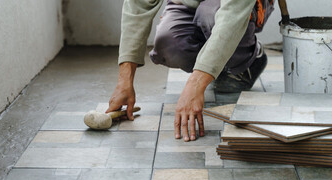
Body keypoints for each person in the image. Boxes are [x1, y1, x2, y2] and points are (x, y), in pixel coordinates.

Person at [106, 0, 274, 142]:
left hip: (235, 6)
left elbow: (233, 14)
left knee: (210, 14)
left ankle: (249, 59)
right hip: (189, 3)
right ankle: (214, 63)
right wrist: (124, 81)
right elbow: (138, 5)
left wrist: (196, 85)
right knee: (169, 45)